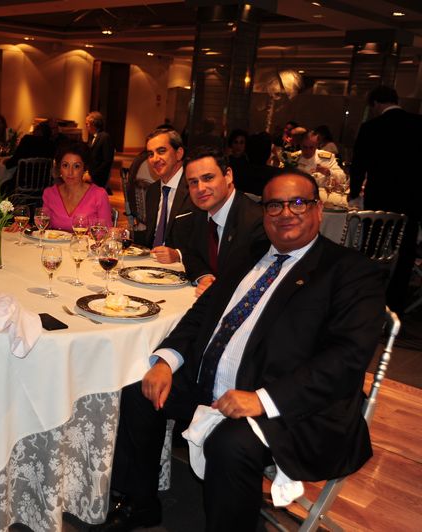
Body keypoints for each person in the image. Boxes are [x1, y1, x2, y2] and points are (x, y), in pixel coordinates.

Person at [97, 170, 385, 531]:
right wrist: (166, 361)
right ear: (264, 213)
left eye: (298, 203)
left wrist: (262, 399)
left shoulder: (351, 271)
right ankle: (140, 504)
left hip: (294, 406)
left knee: (230, 444)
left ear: (318, 209)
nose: (286, 213)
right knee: (138, 392)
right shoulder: (250, 253)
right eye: (275, 205)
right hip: (214, 383)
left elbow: (346, 358)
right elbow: (202, 312)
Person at [349, 85, 422, 312]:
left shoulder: (371, 127)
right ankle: (395, 303)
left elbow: (358, 165)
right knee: (405, 253)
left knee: (372, 250)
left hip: (380, 199)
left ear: (376, 104)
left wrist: (354, 195)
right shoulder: (418, 124)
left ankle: (366, 299)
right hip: (412, 201)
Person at [178, 146, 266, 297]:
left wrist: (219, 288)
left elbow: (258, 278)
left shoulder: (256, 222)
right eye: (193, 182)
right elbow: (191, 254)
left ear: (228, 176)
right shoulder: (198, 213)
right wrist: (205, 277)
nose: (200, 188)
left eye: (208, 178)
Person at [136, 128, 199, 260]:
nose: (155, 159)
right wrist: (125, 234)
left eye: (161, 151)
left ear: (179, 153)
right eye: (150, 154)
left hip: (183, 266)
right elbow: (152, 235)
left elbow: (207, 240)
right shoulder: (153, 191)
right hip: (151, 262)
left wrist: (178, 255)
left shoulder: (195, 188)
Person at [42, 142, 112, 231]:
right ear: (60, 168)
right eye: (65, 165)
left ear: (84, 168)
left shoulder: (99, 195)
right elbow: (43, 229)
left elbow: (106, 232)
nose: (70, 172)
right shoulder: (50, 194)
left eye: (76, 166)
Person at [85, 111, 114, 190]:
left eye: (87, 124)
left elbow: (107, 161)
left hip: (99, 178)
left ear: (93, 124)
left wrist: (92, 175)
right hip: (92, 175)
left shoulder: (105, 137)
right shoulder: (94, 137)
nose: (86, 126)